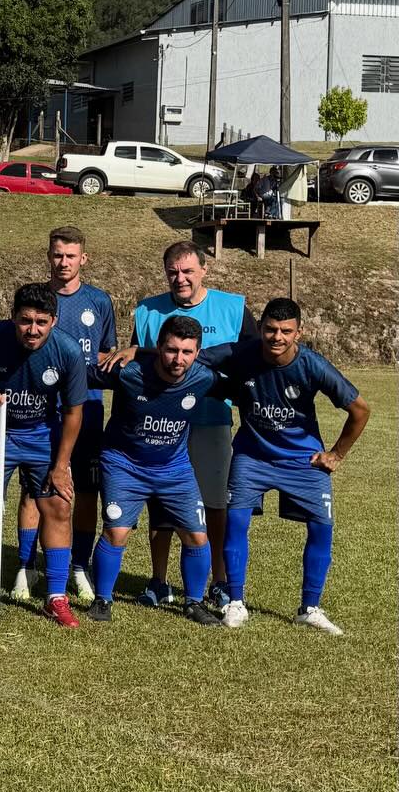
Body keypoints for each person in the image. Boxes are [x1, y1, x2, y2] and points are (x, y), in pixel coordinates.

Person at [215, 298, 370, 635]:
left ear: (299, 332)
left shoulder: (312, 365)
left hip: (303, 461)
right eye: (270, 329)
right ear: (259, 329)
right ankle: (236, 602)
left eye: (286, 331)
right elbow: (188, 354)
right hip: (251, 457)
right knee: (235, 520)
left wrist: (336, 454)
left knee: (321, 527)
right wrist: (139, 353)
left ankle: (310, 608)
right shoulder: (241, 353)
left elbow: (360, 409)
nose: (277, 337)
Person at [0, 283, 87, 627]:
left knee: (59, 505)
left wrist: (62, 465)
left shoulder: (67, 351)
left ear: (54, 320)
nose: (33, 330)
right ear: (13, 318)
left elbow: (73, 411)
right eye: (25, 321)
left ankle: (55, 597)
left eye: (41, 322)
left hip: (41, 435)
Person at [131, 239, 256, 608]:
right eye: (173, 272)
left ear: (204, 270)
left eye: (187, 271)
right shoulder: (147, 311)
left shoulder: (233, 307)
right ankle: (158, 580)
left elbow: (250, 359)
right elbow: (139, 366)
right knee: (160, 501)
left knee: (214, 502)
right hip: (160, 423)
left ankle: (218, 579)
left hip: (211, 418)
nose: (180, 278)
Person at [83, 316, 225, 627]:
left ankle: (194, 603)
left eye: (187, 352)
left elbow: (243, 371)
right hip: (124, 464)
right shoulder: (129, 372)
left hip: (174, 468)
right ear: (159, 348)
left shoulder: (203, 378)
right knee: (116, 531)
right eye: (171, 350)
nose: (178, 359)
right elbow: (79, 375)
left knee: (197, 536)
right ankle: (102, 599)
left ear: (198, 352)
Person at [15, 226, 117, 602]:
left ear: (83, 259)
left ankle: (78, 566)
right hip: (41, 412)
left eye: (70, 256)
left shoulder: (99, 302)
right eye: (57, 255)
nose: (63, 262)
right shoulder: (37, 301)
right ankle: (26, 567)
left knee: (86, 490)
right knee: (35, 490)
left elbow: (106, 354)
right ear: (48, 256)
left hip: (86, 408)